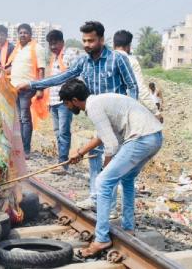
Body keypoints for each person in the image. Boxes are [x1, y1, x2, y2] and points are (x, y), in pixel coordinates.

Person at [16, 21, 138, 215]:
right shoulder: (84, 61)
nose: (87, 44)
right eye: (84, 41)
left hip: (118, 120)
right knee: (95, 158)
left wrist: (131, 115)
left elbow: (132, 86)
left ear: (101, 39)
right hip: (98, 118)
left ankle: (110, 206)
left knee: (112, 163)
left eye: (91, 40)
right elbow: (61, 78)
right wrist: (33, 85)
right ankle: (95, 197)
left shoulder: (117, 59)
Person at [59, 79, 163, 257]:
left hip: (140, 138)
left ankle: (101, 239)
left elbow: (112, 146)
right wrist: (81, 152)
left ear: (75, 100)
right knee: (128, 179)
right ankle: (129, 228)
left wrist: (105, 170)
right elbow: (102, 135)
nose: (68, 107)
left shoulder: (93, 107)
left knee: (103, 181)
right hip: (154, 137)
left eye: (67, 103)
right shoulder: (100, 101)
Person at [8, 23, 46, 159]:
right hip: (14, 88)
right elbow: (12, 67)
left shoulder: (37, 48)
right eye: (20, 33)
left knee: (24, 118)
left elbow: (41, 69)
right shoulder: (17, 49)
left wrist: (40, 89)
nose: (22, 35)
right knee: (18, 119)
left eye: (25, 32)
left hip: (27, 88)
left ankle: (26, 150)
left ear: (30, 35)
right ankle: (18, 148)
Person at [113, 30, 163, 122]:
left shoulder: (103, 61)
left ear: (114, 45)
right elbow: (140, 88)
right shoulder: (131, 62)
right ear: (128, 46)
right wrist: (156, 112)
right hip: (124, 111)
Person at [45, 30, 76, 174]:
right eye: (50, 43)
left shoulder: (68, 55)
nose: (53, 46)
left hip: (65, 102)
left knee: (64, 132)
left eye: (55, 42)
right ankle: (61, 161)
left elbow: (75, 75)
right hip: (53, 101)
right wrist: (48, 101)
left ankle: (63, 164)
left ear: (62, 42)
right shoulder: (53, 59)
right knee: (58, 132)